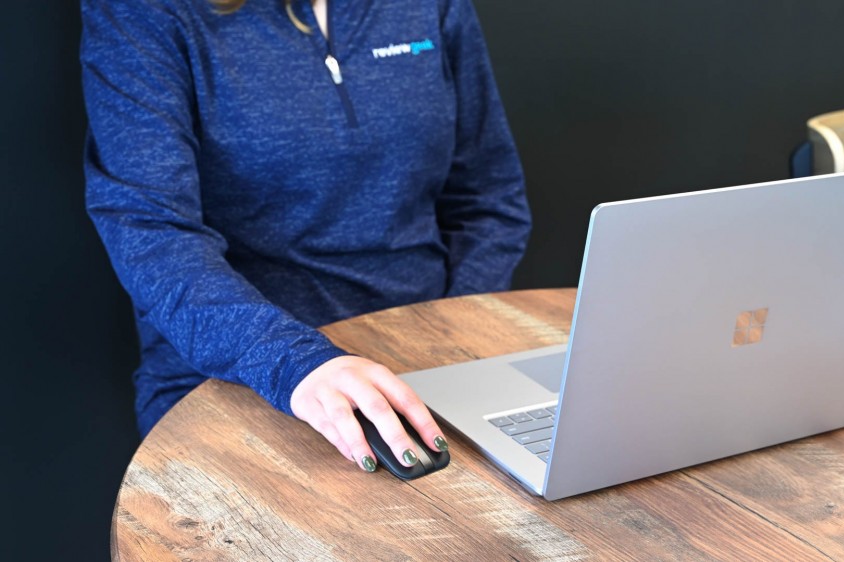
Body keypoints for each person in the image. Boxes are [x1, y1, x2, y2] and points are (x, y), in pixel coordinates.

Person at [80, 0, 531, 474]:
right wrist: (297, 363)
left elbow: (489, 198)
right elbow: (150, 231)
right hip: (243, 377)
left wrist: (451, 341)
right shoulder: (142, 12)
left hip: (428, 363)